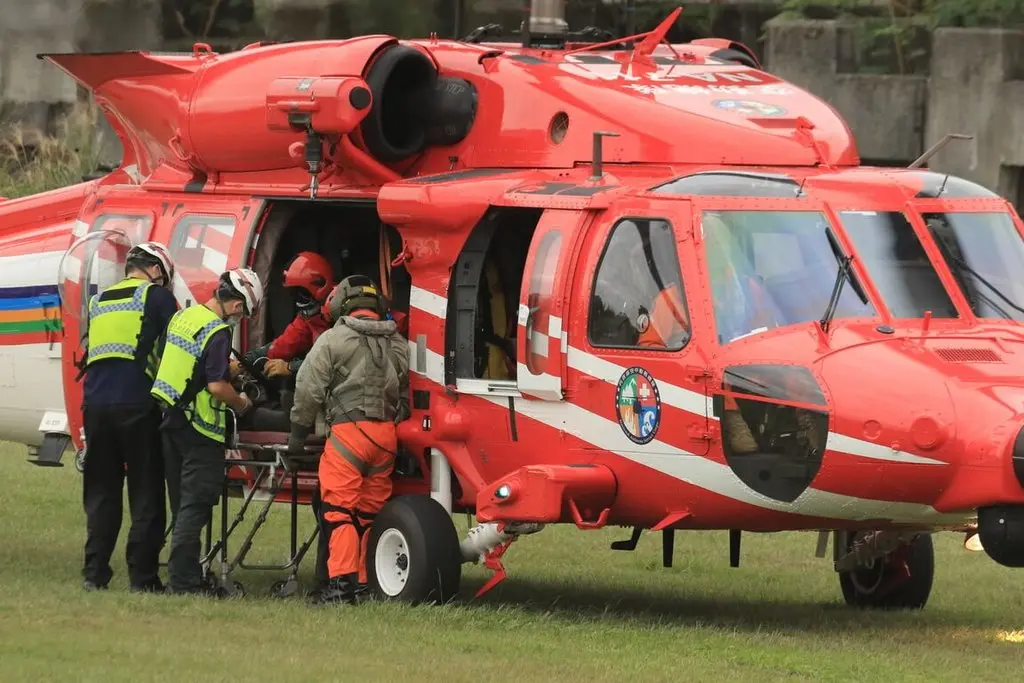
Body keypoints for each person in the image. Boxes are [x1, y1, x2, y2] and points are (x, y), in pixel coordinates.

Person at [288, 275, 410, 605]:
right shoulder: (396, 342)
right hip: (386, 437)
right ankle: (361, 583)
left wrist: (298, 435)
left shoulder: (333, 339)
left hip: (348, 435)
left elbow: (308, 388)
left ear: (343, 303)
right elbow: (404, 389)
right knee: (368, 515)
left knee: (340, 512)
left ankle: (338, 589)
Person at [151, 267, 264, 596]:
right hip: (199, 426)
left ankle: (181, 575)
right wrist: (242, 404)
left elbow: (186, 364)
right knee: (195, 504)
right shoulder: (217, 332)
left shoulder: (184, 317)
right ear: (236, 305)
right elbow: (216, 388)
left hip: (169, 418)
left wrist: (221, 369)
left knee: (181, 503)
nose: (240, 318)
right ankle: (185, 583)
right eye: (244, 312)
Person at [80, 242, 178, 593]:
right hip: (138, 405)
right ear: (156, 270)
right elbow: (176, 346)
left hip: (96, 407)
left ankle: (94, 574)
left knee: (102, 493)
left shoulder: (98, 302)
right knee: (146, 491)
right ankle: (143, 578)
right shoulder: (158, 298)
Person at [236, 251, 335, 382]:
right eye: (293, 294)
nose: (298, 300)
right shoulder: (310, 317)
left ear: (320, 284)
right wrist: (243, 363)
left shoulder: (347, 311)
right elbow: (283, 345)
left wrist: (290, 368)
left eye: (301, 293)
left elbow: (339, 361)